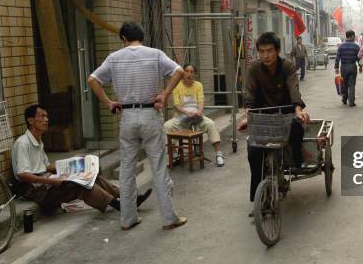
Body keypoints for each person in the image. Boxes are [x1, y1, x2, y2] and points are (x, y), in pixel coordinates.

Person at [88, 22, 187, 231]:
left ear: (123, 38)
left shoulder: (114, 58)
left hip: (128, 115)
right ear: (141, 36)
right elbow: (179, 71)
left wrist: (109, 103)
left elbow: (93, 80)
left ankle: (127, 219)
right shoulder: (155, 54)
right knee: (158, 167)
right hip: (150, 113)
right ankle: (169, 218)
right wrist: (165, 95)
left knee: (126, 169)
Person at [11, 105, 152, 214]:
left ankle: (128, 198)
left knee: (90, 176)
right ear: (30, 120)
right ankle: (118, 204)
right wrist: (50, 181)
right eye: (42, 116)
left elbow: (45, 166)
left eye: (47, 116)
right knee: (80, 184)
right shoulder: (23, 143)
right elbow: (22, 174)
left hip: (45, 182)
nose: (46, 120)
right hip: (34, 190)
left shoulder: (38, 141)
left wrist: (75, 164)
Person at [237, 32, 310, 216]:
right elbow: (250, 95)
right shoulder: (254, 69)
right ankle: (257, 198)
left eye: (269, 51)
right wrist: (249, 115)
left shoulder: (287, 66)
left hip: (285, 113)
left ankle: (296, 160)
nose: (266, 55)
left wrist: (298, 110)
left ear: (277, 51)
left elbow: (294, 90)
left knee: (296, 126)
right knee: (253, 152)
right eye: (262, 51)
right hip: (263, 116)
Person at [163, 63, 225, 167]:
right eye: (187, 71)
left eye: (192, 72)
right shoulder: (177, 85)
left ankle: (219, 155)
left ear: (194, 74)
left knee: (211, 124)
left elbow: (201, 101)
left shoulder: (198, 85)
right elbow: (176, 105)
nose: (189, 74)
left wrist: (199, 111)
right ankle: (172, 155)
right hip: (180, 117)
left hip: (196, 117)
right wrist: (187, 113)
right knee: (167, 126)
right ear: (183, 73)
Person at [334, 30, 360, 106]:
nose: (354, 37)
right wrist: (360, 66)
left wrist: (336, 67)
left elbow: (337, 57)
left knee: (344, 84)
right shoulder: (356, 46)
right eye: (354, 36)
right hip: (352, 66)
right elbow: (359, 57)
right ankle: (351, 102)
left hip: (344, 67)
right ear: (351, 36)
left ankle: (344, 99)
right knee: (352, 85)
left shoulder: (341, 46)